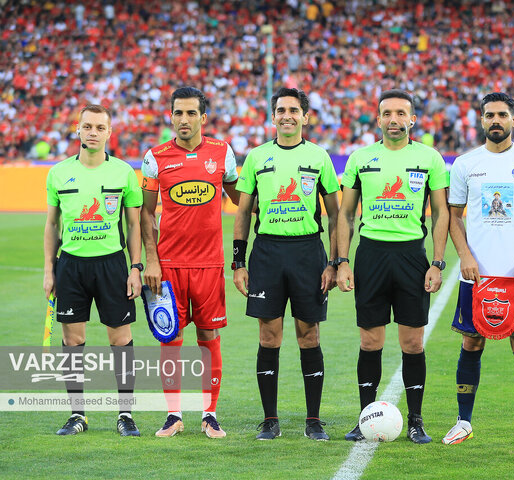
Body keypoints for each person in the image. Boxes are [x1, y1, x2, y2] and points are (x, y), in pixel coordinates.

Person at [336, 89, 449, 444]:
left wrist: (437, 262)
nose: (394, 120)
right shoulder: (360, 158)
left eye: (402, 113)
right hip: (370, 256)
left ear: (412, 119)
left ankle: (415, 420)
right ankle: (365, 416)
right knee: (370, 341)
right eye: (388, 113)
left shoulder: (429, 158)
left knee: (412, 342)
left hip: (412, 258)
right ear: (379, 118)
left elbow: (442, 213)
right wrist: (342, 261)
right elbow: (345, 214)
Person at [442, 92, 514, 447]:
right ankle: (463, 421)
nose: (495, 120)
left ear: (513, 120)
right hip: (477, 274)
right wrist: (465, 256)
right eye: (489, 114)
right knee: (471, 341)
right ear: (481, 120)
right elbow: (453, 217)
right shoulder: (464, 164)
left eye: (502, 115)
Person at [232, 87, 340, 441]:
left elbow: (337, 214)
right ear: (273, 115)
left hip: (309, 253)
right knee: (269, 335)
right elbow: (244, 210)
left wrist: (335, 261)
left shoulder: (319, 157)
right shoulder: (257, 157)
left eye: (294, 110)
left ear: (305, 117)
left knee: (309, 335)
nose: (287, 115)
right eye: (281, 110)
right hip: (267, 253)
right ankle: (270, 420)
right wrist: (238, 261)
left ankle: (313, 420)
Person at [141, 87, 240, 438]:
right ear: (171, 115)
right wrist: (150, 261)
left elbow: (240, 201)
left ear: (203, 117)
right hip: (168, 266)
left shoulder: (221, 152)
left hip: (209, 264)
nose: (184, 120)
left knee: (208, 334)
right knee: (170, 337)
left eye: (191, 113)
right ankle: (173, 414)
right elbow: (145, 215)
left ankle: (209, 414)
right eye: (178, 113)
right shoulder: (155, 157)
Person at [44, 104, 142, 436]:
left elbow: (133, 225)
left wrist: (136, 267)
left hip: (112, 264)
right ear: (78, 130)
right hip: (71, 265)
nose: (93, 132)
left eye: (100, 127)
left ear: (109, 133)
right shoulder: (57, 173)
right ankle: (77, 415)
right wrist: (49, 270)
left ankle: (125, 415)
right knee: (73, 340)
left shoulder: (124, 173)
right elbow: (51, 225)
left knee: (121, 338)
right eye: (88, 126)